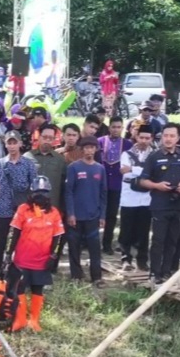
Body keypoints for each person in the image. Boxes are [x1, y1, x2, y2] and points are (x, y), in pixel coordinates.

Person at [6, 175, 64, 332]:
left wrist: (53, 255)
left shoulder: (54, 213)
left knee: (38, 289)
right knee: (19, 289)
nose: (40, 196)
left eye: (44, 192)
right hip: (22, 260)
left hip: (42, 261)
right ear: (31, 193)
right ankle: (20, 319)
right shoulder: (23, 209)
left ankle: (34, 320)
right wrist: (8, 253)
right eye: (37, 192)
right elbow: (15, 233)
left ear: (49, 194)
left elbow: (58, 237)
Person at [139, 123, 180, 284]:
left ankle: (167, 271)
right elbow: (142, 180)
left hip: (179, 205)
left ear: (178, 138)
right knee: (158, 240)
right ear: (161, 137)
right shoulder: (154, 157)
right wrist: (157, 186)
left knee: (173, 240)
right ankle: (154, 273)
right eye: (165, 136)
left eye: (172, 136)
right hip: (160, 204)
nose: (168, 139)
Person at [0, 131, 38, 279]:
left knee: (22, 243)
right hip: (3, 209)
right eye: (9, 143)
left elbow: (34, 188)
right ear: (5, 144)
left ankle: (18, 274)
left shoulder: (29, 164)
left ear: (20, 144)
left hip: (22, 210)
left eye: (14, 142)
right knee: (0, 244)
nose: (11, 146)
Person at [64, 135, 110, 285]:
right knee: (74, 246)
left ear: (96, 149)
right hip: (76, 216)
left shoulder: (100, 168)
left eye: (92, 148)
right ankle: (76, 275)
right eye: (86, 148)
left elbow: (104, 194)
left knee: (95, 248)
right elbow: (69, 192)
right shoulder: (74, 167)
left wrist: (102, 215)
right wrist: (70, 213)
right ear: (82, 150)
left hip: (93, 215)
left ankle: (96, 277)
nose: (89, 151)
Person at [119, 124, 155, 271]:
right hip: (129, 196)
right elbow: (124, 172)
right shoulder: (126, 154)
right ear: (136, 137)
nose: (144, 141)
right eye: (141, 137)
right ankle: (125, 258)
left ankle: (142, 259)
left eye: (147, 138)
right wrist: (144, 171)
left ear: (151, 139)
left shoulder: (154, 155)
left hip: (147, 197)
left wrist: (134, 169)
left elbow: (153, 173)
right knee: (126, 229)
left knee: (144, 230)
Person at [97, 116, 131, 254]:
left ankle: (107, 243)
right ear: (109, 127)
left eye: (119, 127)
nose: (116, 130)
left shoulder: (128, 144)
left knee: (111, 215)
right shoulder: (100, 141)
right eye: (113, 127)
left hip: (117, 184)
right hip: (100, 183)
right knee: (95, 213)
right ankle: (89, 242)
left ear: (122, 128)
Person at [25, 123, 67, 212]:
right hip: (31, 207)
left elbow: (64, 187)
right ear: (39, 137)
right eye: (44, 137)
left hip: (52, 208)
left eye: (50, 138)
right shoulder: (27, 157)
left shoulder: (60, 160)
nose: (47, 141)